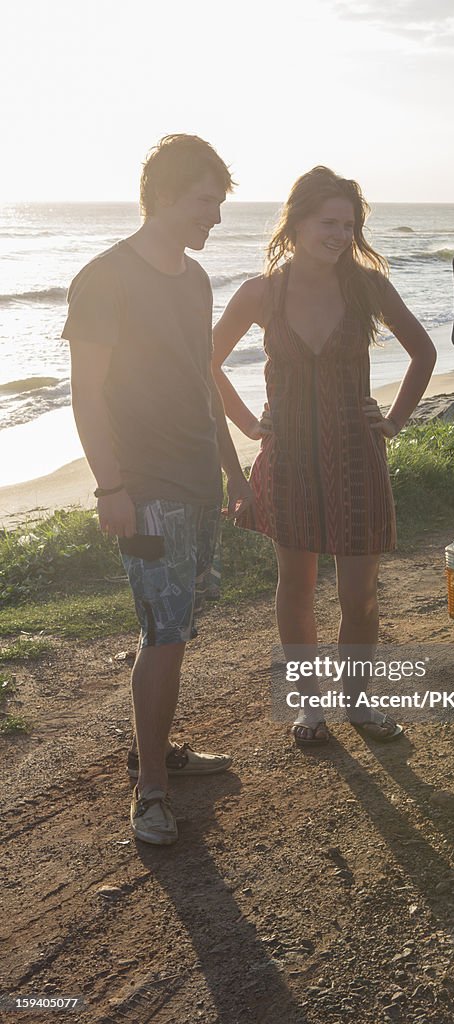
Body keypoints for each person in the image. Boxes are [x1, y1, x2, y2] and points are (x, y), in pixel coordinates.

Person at [64, 134, 252, 845]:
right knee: (163, 633)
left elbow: (201, 382)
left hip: (199, 481)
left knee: (178, 626)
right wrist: (110, 486)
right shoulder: (104, 278)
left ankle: (157, 751)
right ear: (166, 196)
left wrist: (233, 473)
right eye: (206, 201)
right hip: (144, 489)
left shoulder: (195, 279)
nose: (215, 216)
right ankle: (150, 790)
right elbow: (86, 396)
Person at [212, 166, 436, 746]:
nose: (339, 234)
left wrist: (392, 421)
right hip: (288, 462)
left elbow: (424, 351)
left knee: (359, 594)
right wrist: (247, 423)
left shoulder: (367, 286)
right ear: (298, 221)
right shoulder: (264, 291)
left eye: (349, 224)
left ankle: (359, 704)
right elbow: (204, 364)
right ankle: (309, 708)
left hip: (358, 460)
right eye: (328, 222)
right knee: (296, 586)